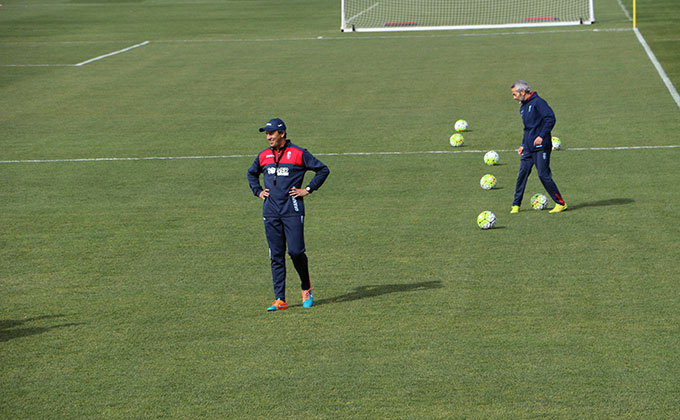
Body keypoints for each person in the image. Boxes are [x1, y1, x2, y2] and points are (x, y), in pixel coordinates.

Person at [247, 118, 330, 311]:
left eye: (271, 134)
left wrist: (308, 189)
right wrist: (258, 191)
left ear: (282, 133)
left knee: (295, 252)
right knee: (276, 254)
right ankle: (280, 299)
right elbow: (251, 173)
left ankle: (306, 288)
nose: (268, 138)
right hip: (270, 211)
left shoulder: (299, 153)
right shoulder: (263, 156)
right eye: (266, 134)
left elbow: (322, 170)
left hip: (292, 210)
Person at [509, 80, 567, 214]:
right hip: (528, 148)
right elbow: (527, 129)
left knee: (543, 175)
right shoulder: (523, 107)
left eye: (514, 94)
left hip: (541, 146)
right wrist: (523, 144)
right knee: (522, 174)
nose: (514, 98)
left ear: (522, 92)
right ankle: (516, 205)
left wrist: (541, 136)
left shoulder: (538, 102)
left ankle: (560, 203)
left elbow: (550, 118)